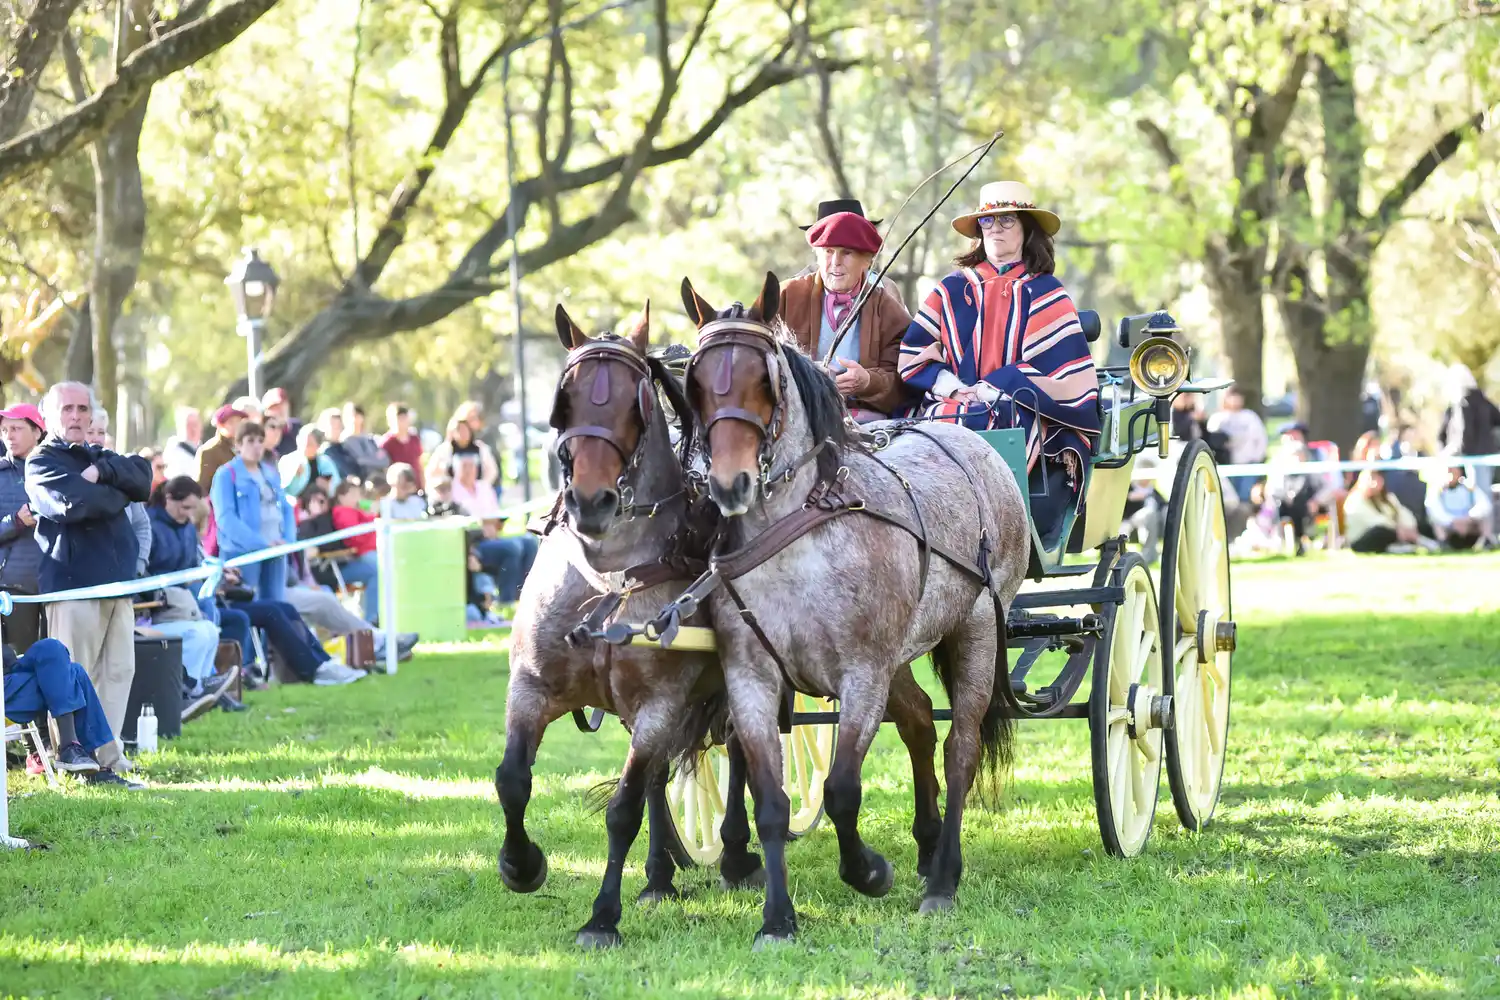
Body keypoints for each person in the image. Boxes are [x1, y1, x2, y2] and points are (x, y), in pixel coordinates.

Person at [898, 180, 1100, 539]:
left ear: (1026, 228)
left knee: (1002, 426)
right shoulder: (950, 290)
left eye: (1006, 220)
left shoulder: (1047, 293)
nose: (996, 229)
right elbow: (916, 355)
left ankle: (1000, 527)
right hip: (951, 401)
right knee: (931, 428)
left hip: (1022, 407)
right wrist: (953, 388)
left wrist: (999, 386)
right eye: (988, 222)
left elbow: (1067, 376)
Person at [26, 381, 152, 784]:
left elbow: (143, 478)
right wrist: (117, 491)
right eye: (67, 409)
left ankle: (108, 758)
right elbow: (75, 503)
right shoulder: (42, 462)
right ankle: (74, 758)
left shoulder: (98, 454)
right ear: (49, 416)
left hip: (118, 586)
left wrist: (103, 472)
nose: (77, 416)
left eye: (83, 408)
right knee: (73, 674)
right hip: (74, 585)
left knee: (118, 670)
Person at [777, 211, 913, 421]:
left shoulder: (889, 310)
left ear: (867, 261)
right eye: (828, 251)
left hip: (862, 422)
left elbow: (904, 381)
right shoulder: (785, 296)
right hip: (796, 418)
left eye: (847, 253)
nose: (836, 262)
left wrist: (867, 381)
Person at [143, 477, 240, 719]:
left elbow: (194, 565)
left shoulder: (187, 529)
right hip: (155, 607)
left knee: (209, 629)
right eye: (184, 508)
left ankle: (197, 687)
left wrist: (216, 575)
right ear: (168, 500)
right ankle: (185, 691)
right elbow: (142, 572)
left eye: (192, 509)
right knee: (199, 633)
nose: (188, 514)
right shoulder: (149, 525)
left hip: (183, 601)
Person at [4, 639, 124, 782]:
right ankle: (81, 760)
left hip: (9, 676)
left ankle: (76, 754)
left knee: (51, 647)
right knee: (73, 675)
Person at [211, 421, 296, 603]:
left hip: (275, 552)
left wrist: (287, 541)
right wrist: (261, 544)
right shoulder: (226, 474)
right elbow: (226, 518)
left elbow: (286, 509)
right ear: (238, 444)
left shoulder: (270, 473)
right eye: (250, 441)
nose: (257, 446)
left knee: (276, 605)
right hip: (242, 554)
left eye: (260, 440)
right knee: (246, 606)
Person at [451, 453, 537, 601]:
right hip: (474, 543)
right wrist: (482, 528)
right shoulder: (453, 491)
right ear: (456, 469)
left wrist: (495, 525)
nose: (469, 470)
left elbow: (496, 515)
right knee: (512, 547)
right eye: (464, 466)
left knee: (530, 541)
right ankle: (506, 599)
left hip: (492, 535)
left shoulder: (484, 488)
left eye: (471, 466)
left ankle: (524, 596)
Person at [0, 403, 47, 651]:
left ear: (37, 432)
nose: (9, 435)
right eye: (5, 430)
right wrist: (16, 522)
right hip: (14, 587)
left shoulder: (57, 470)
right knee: (18, 665)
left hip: (57, 584)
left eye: (16, 428)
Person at [89, 409, 152, 577]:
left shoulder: (121, 471)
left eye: (101, 432)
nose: (96, 438)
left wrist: (138, 564)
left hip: (125, 578)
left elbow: (141, 524)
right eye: (90, 431)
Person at [1438, 364, 1499, 527]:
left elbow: (1465, 432)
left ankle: (1486, 534)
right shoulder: (1483, 400)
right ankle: (1487, 533)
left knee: (1481, 497)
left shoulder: (1463, 401)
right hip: (1486, 456)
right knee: (1484, 495)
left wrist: (1454, 451)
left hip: (1473, 458)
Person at [1344, 471, 1436, 554]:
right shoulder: (1355, 499)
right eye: (1371, 479)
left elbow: (1403, 513)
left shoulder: (1387, 498)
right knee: (1380, 532)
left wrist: (1408, 527)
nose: (1374, 483)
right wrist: (1397, 529)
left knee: (1422, 526)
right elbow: (1374, 521)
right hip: (1362, 539)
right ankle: (1402, 546)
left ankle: (1424, 543)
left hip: (1394, 532)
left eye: (1377, 479)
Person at [328, 479, 381, 622]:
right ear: (341, 497)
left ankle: (374, 616)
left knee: (380, 571)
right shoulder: (342, 512)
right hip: (359, 556)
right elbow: (355, 538)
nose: (357, 498)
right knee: (379, 571)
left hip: (367, 553)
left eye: (358, 494)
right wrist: (371, 519)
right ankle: (372, 618)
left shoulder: (356, 511)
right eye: (353, 494)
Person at [1206, 388, 1268, 503]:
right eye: (1232, 396)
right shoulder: (1218, 419)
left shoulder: (1250, 417)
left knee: (1245, 496)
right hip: (1226, 464)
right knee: (1228, 498)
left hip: (1248, 464)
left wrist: (1258, 458)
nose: (1235, 400)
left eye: (1238, 397)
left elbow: (1261, 439)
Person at [1426, 465, 1494, 551]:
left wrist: (1469, 517)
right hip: (1450, 525)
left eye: (1453, 471)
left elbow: (1484, 504)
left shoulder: (1469, 486)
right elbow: (1432, 508)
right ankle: (1443, 543)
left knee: (1485, 519)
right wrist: (1452, 521)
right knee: (1435, 522)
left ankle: (1487, 541)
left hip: (1468, 522)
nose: (1450, 473)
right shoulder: (1438, 489)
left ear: (1460, 472)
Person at [195, 404, 246, 493]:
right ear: (220, 425)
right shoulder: (209, 451)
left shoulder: (244, 447)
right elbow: (202, 487)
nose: (236, 426)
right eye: (231, 422)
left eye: (238, 421)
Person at [279, 425, 340, 498]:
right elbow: (286, 491)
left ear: (318, 446)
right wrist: (296, 477)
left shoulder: (326, 463)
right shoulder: (288, 460)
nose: (304, 446)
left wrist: (327, 487)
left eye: (309, 444)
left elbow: (335, 487)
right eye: (303, 441)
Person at [339, 402, 390, 481]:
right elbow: (357, 461)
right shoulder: (344, 442)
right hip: (361, 481)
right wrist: (374, 459)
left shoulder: (370, 439)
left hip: (378, 480)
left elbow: (385, 461)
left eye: (356, 415)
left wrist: (366, 459)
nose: (354, 420)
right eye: (351, 416)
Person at [378, 403, 424, 488]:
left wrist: (423, 486)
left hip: (415, 487)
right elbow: (383, 467)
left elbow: (419, 464)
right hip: (398, 488)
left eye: (404, 418)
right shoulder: (386, 443)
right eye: (399, 418)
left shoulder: (414, 439)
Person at [316, 407, 361, 482]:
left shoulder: (345, 447)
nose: (337, 429)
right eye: (333, 426)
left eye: (339, 425)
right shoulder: (325, 451)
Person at [163, 405, 202, 480]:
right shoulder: (173, 450)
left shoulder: (204, 449)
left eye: (195, 424)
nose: (193, 429)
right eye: (189, 425)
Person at [261, 387, 302, 458]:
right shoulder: (260, 435)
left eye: (282, 405)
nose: (280, 410)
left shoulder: (298, 428)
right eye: (274, 407)